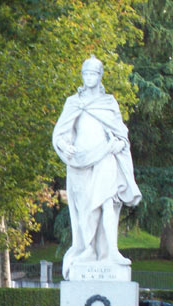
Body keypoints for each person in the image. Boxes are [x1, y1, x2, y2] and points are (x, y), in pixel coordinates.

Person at [52, 55, 141, 279]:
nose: (89, 77)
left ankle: (111, 251)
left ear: (100, 76)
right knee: (85, 208)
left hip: (105, 158)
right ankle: (88, 249)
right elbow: (60, 132)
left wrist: (119, 144)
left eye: (93, 73)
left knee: (107, 203)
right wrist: (63, 144)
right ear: (82, 75)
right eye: (86, 73)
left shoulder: (109, 102)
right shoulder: (73, 102)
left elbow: (121, 132)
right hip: (79, 162)